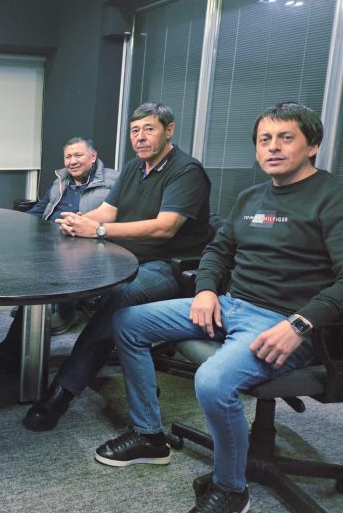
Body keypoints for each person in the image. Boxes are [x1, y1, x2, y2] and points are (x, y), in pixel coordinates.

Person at [96, 102, 343, 513]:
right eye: (265, 139)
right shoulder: (250, 196)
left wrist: (300, 324)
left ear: (312, 145)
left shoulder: (332, 198)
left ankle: (231, 490)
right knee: (128, 320)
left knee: (212, 381)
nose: (273, 147)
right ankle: (149, 436)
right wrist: (207, 291)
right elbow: (217, 251)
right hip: (230, 305)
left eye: (286, 138)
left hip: (286, 323)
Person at [21, 102, 212, 432]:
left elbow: (165, 227)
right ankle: (13, 352)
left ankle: (62, 392)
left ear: (169, 130)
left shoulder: (187, 170)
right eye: (135, 131)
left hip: (168, 266)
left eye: (149, 129)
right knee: (55, 265)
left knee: (120, 296)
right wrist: (77, 222)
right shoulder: (134, 167)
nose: (140, 137)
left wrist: (97, 230)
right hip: (127, 255)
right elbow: (108, 211)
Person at [0, 137, 118, 370]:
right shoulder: (61, 181)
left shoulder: (113, 182)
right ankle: (34, 314)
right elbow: (40, 209)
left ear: (93, 155)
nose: (72, 161)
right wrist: (10, 226)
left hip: (85, 245)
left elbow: (118, 218)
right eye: (68, 156)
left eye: (78, 155)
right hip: (52, 240)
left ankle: (15, 351)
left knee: (37, 281)